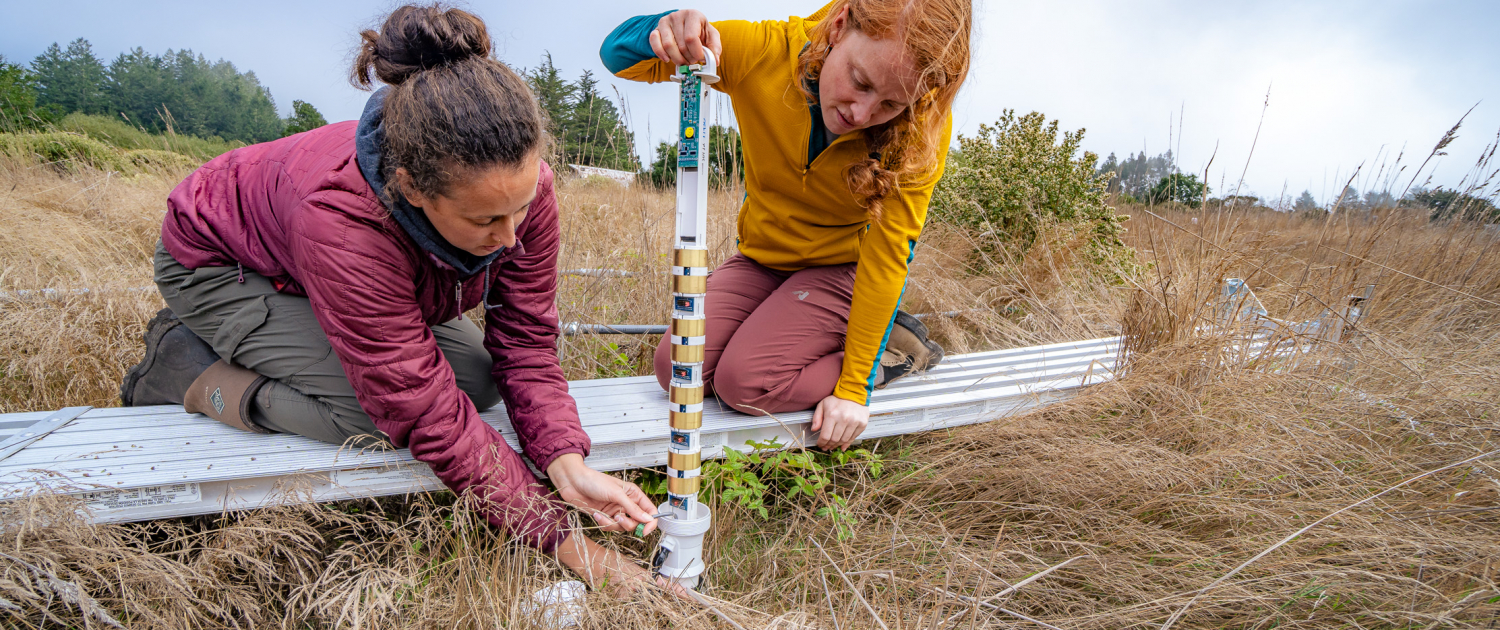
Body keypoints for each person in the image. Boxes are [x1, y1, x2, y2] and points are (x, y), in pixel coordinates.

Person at [120, 4, 669, 594]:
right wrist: (569, 544)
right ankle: (190, 369)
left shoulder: (521, 191)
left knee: (479, 384)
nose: (512, 237)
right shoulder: (343, 220)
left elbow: (526, 341)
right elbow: (423, 412)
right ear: (410, 188)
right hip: (221, 266)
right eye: (485, 219)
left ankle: (302, 337)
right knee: (379, 417)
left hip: (324, 267)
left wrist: (567, 465)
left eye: (522, 209)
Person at [602, 0, 971, 450]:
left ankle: (895, 351)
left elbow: (889, 255)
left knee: (747, 383)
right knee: (677, 368)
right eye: (859, 81)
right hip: (762, 259)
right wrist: (665, 29)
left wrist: (855, 389)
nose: (862, 112)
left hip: (840, 272)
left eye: (890, 103)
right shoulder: (762, 51)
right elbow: (617, 57)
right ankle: (798, 324)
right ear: (837, 27)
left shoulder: (924, 126)